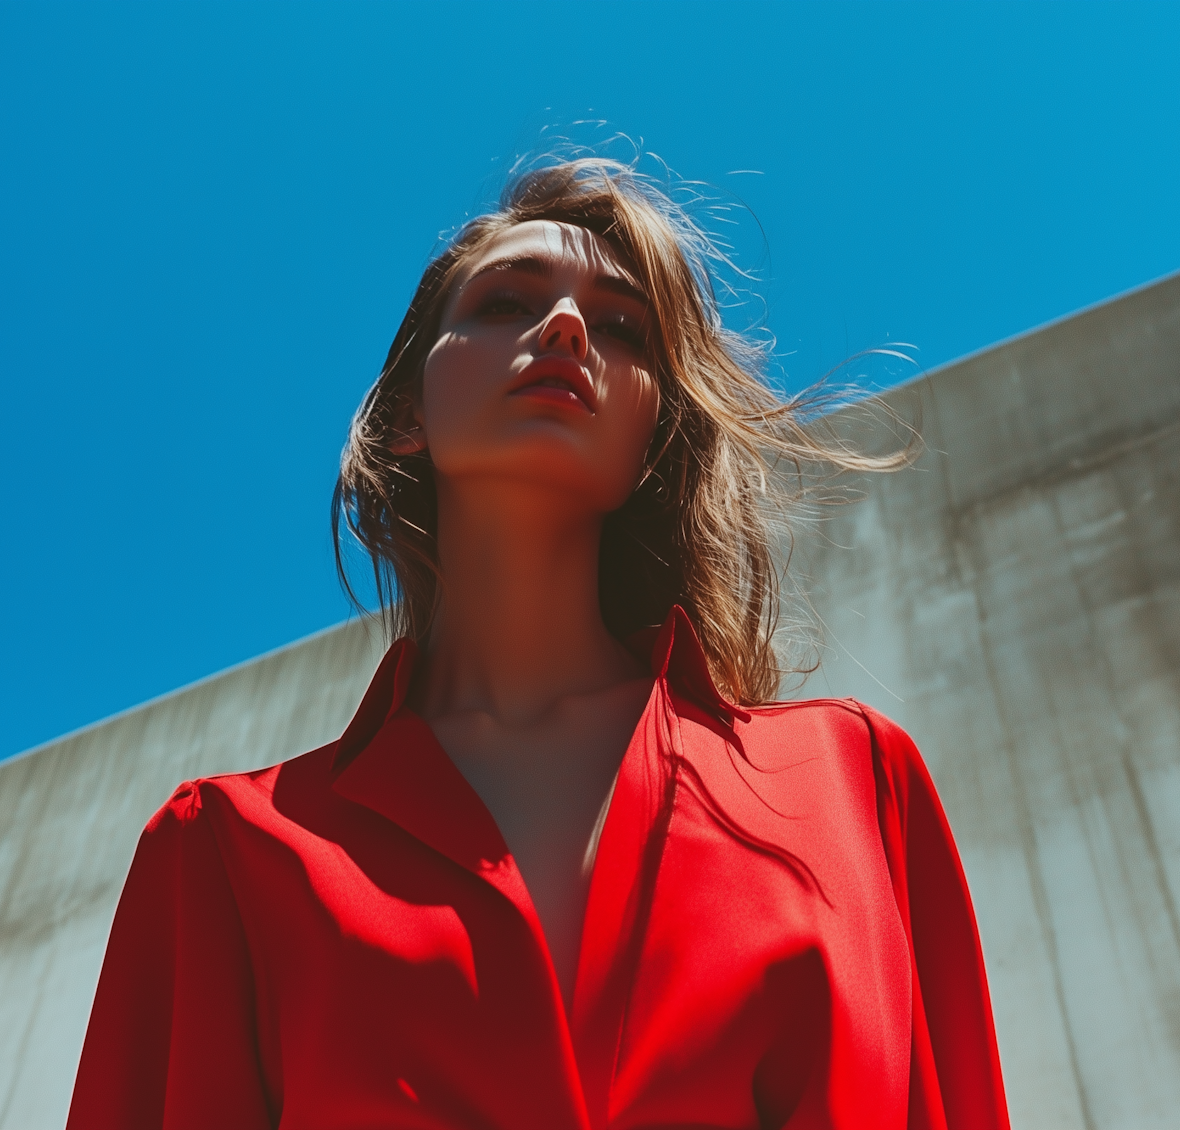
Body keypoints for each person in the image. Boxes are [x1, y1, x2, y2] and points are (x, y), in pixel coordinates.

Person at [66, 157, 1010, 1130]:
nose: (564, 327)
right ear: (403, 419)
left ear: (655, 431)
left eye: (620, 326)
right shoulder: (225, 852)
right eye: (507, 301)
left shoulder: (855, 783)